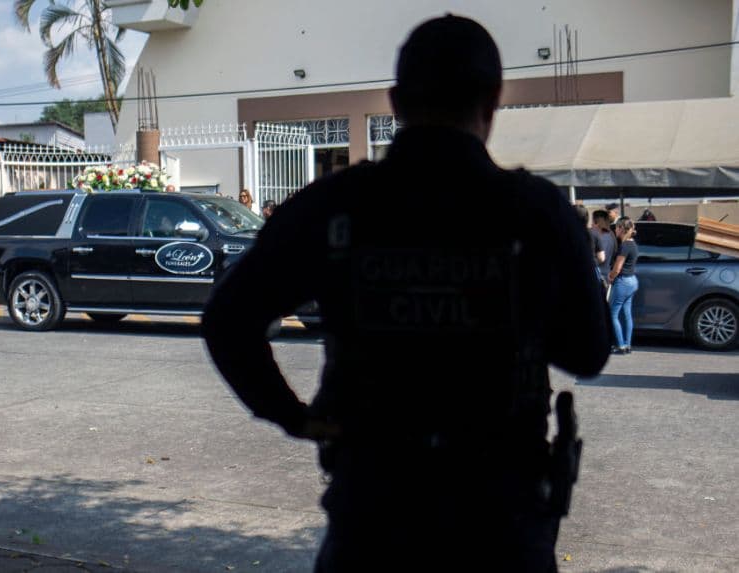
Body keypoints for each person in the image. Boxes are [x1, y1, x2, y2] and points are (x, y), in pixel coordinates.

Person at [202, 14, 609, 572]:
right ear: (493, 99)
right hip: (499, 529)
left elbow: (228, 319)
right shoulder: (535, 211)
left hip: (373, 522)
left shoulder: (336, 205)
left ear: (395, 101)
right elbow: (588, 351)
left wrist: (293, 416)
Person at [608, 217, 639, 354]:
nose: (615, 230)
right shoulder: (633, 244)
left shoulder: (625, 245)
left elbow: (617, 268)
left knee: (612, 314)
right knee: (627, 314)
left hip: (623, 282)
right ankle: (627, 345)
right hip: (632, 281)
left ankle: (620, 345)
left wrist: (610, 277)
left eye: (617, 227)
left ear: (622, 229)